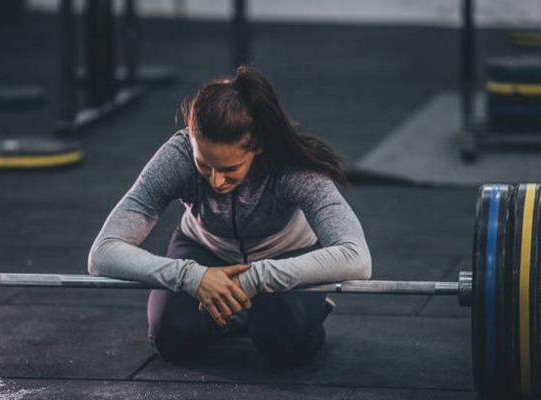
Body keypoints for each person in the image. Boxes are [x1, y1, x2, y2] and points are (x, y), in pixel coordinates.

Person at [88, 65, 372, 367]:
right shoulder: (178, 157)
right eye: (204, 165)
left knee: (284, 342)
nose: (216, 181)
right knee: (170, 338)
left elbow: (357, 257)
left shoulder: (291, 166)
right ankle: (237, 314)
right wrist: (192, 276)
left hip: (286, 255)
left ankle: (283, 310)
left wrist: (256, 278)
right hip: (205, 249)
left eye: (229, 169)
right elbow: (103, 253)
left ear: (259, 146)